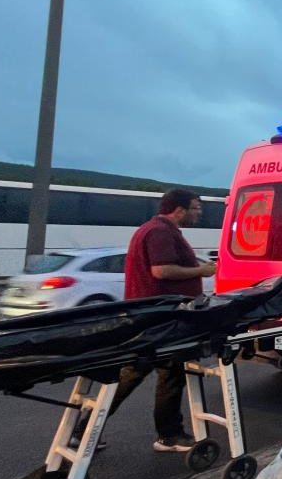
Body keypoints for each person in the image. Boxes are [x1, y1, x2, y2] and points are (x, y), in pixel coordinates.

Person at [82, 189, 216, 453]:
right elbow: (161, 270)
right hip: (158, 320)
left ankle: (166, 433)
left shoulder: (158, 230)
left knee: (166, 373)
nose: (199, 213)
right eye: (196, 208)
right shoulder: (160, 232)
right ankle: (167, 435)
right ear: (180, 210)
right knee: (142, 374)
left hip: (156, 317)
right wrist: (202, 270)